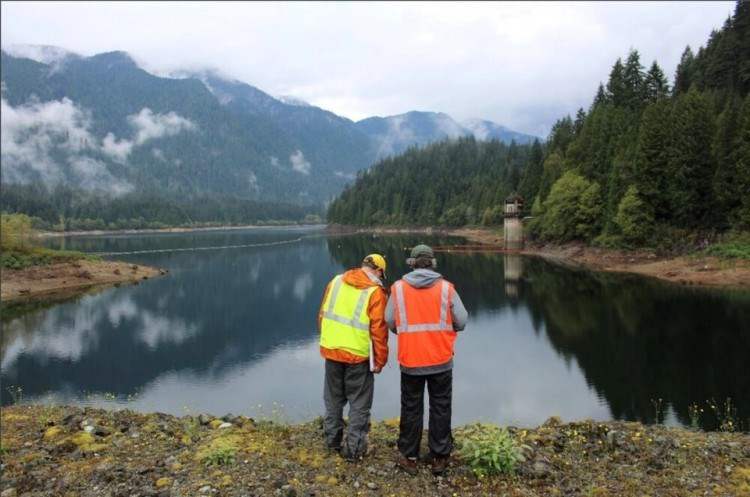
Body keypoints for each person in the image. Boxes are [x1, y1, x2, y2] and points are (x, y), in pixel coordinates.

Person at [385, 244, 468, 476]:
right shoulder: (446, 289)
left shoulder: (398, 289)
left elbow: (390, 320)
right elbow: (461, 321)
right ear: (433, 263)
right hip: (440, 358)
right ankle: (439, 457)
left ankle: (410, 457)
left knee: (411, 407)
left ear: (411, 263)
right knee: (440, 406)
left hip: (411, 359)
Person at [318, 253, 389, 461]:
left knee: (333, 400)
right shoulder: (375, 292)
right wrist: (380, 360)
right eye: (382, 275)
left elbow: (322, 315)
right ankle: (355, 449)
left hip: (331, 351)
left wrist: (329, 340)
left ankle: (332, 442)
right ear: (378, 271)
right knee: (359, 404)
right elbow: (379, 331)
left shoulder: (336, 281)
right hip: (358, 356)